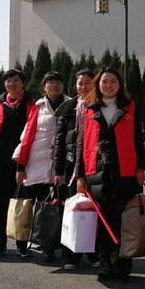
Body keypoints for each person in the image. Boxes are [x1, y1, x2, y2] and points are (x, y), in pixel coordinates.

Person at [75, 67, 145, 281]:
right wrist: (80, 175)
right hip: (97, 173)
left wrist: (140, 168)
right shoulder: (90, 108)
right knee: (104, 221)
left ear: (119, 85)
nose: (109, 85)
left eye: (113, 81)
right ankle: (105, 266)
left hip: (125, 171)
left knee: (125, 221)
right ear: (99, 84)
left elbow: (137, 140)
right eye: (104, 81)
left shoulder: (130, 107)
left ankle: (123, 267)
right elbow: (82, 143)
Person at [0, 69, 35, 259]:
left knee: (22, 203)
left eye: (16, 80)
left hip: (23, 161)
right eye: (9, 80)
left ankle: (21, 244)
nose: (12, 83)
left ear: (22, 83)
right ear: (5, 84)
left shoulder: (31, 103)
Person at [12, 71, 70, 261]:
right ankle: (39, 245)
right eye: (50, 82)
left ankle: (57, 246)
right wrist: (20, 166)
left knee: (58, 206)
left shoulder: (72, 105)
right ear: (43, 87)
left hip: (61, 165)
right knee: (39, 206)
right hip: (37, 164)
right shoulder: (37, 108)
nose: (54, 85)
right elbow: (26, 137)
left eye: (58, 82)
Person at [52, 68, 97, 270]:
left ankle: (93, 253)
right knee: (73, 210)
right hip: (71, 167)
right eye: (80, 83)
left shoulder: (100, 107)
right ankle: (72, 254)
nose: (84, 86)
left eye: (88, 82)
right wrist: (58, 171)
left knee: (94, 209)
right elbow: (60, 141)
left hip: (95, 166)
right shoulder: (67, 108)